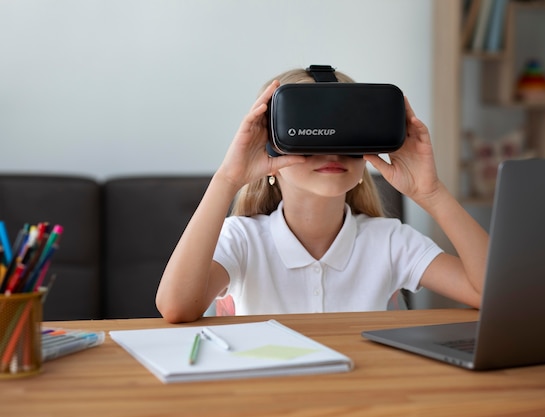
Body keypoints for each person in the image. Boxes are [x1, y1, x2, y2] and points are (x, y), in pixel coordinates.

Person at [156, 68, 489, 323]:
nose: (331, 151)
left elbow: (493, 294)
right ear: (270, 150)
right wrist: (228, 178)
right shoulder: (244, 239)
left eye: (346, 132)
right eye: (313, 132)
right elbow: (176, 307)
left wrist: (431, 192)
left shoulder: (389, 241)